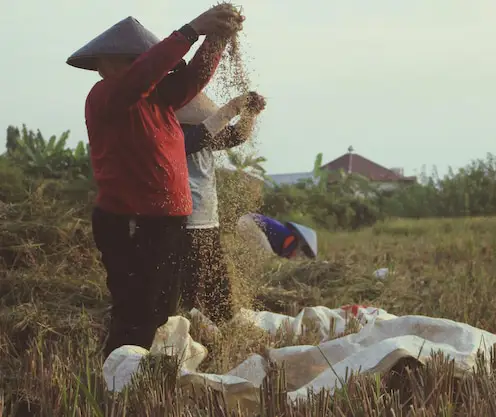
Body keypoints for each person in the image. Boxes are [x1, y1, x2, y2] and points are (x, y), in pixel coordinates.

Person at [66, 7, 244, 357]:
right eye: (136, 61)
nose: (147, 69)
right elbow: (142, 76)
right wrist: (192, 30)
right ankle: (121, 372)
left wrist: (217, 37)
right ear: (107, 64)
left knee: (159, 306)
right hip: (129, 219)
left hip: (167, 222)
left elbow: (193, 79)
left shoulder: (159, 100)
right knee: (136, 306)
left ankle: (137, 370)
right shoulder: (105, 96)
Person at [173, 90, 266, 322]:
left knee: (217, 286)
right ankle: (193, 336)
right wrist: (233, 107)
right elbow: (197, 138)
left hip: (207, 220)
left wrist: (250, 115)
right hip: (187, 222)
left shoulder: (205, 134)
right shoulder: (174, 137)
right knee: (191, 291)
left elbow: (235, 136)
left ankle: (223, 331)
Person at [236, 213, 318, 260]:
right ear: (301, 240)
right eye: (305, 250)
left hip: (246, 220)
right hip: (251, 222)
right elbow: (278, 259)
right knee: (267, 258)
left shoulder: (286, 236)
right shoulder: (292, 240)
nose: (301, 254)